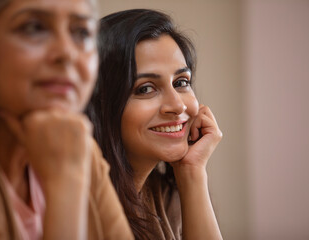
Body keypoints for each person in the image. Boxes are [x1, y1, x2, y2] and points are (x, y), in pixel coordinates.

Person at [0, 0, 133, 239]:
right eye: (34, 28)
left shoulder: (80, 151)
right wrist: (66, 178)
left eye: (81, 32)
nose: (67, 53)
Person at [87, 9, 223, 239]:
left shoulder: (166, 194)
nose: (178, 106)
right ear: (100, 104)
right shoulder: (83, 206)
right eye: (145, 88)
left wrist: (192, 172)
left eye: (181, 82)